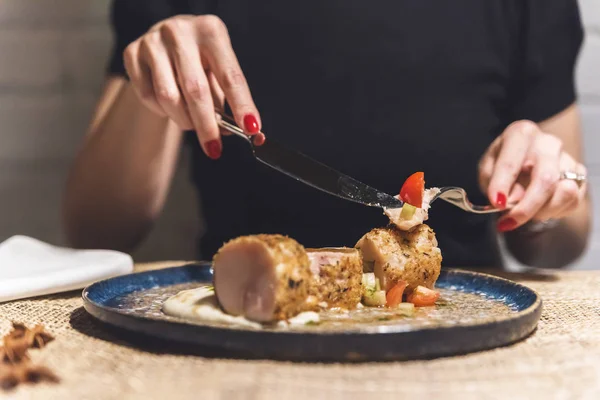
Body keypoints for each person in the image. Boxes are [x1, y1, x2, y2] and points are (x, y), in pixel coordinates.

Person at [62, 0, 591, 269]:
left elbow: (568, 242)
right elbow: (96, 228)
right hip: (240, 324)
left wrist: (544, 198)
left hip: (471, 328)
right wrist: (153, 83)